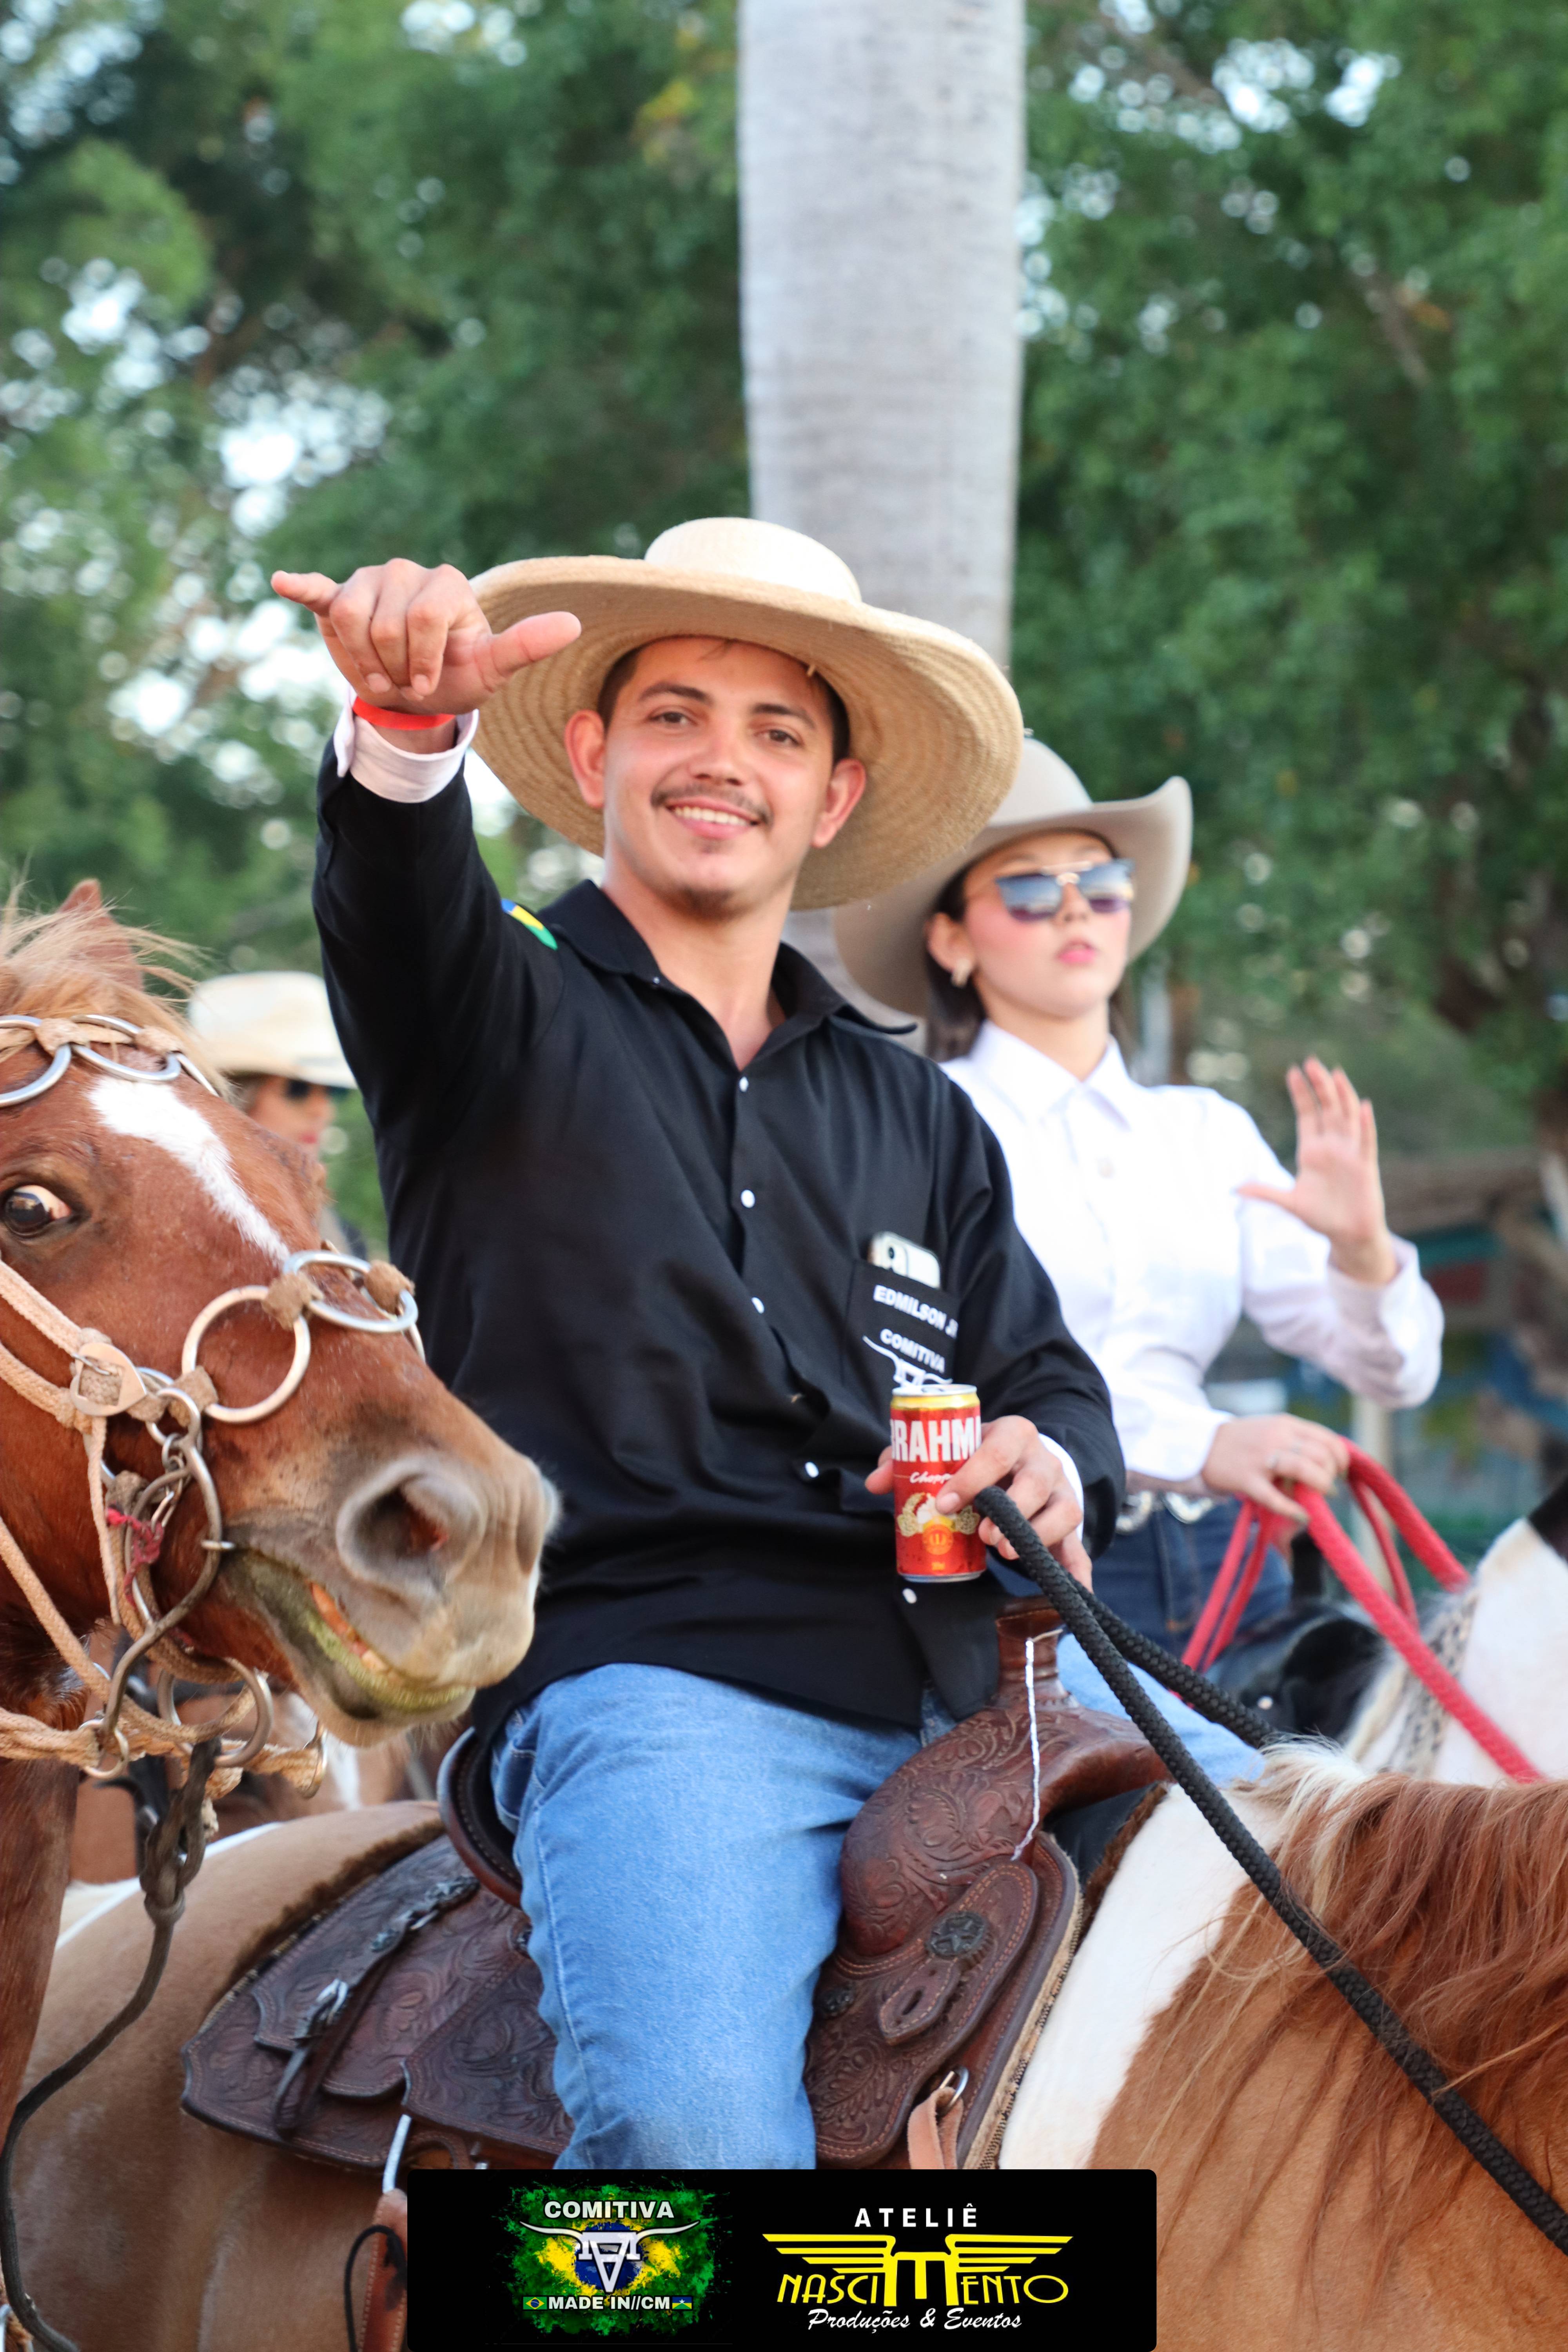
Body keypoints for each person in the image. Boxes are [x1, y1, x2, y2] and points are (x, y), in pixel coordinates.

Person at [276, 521, 1258, 2169]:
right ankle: (604, 2276)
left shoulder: (909, 1106)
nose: (720, 759)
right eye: (673, 714)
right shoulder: (487, 1005)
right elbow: (391, 898)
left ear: (835, 794)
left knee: (1347, 1908)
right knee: (694, 2136)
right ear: (593, 753)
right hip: (659, 1684)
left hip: (997, 1673)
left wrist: (1046, 1455)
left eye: (775, 730)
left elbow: (1041, 1375)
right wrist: (402, 731)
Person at [837, 737, 1444, 1657]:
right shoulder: (922, 1126)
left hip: (1232, 1560)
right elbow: (921, 1373)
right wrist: (1199, 1446)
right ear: (951, 940)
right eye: (1029, 889)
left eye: (1101, 882)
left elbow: (1396, 1374)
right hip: (1028, 1560)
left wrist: (1362, 1252)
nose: (1074, 907)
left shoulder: (1205, 1131)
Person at [187, 968, 364, 1256]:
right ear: (234, 1095)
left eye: (334, 1091)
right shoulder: (182, 1223)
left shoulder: (345, 1238)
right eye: (298, 1089)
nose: (323, 1111)